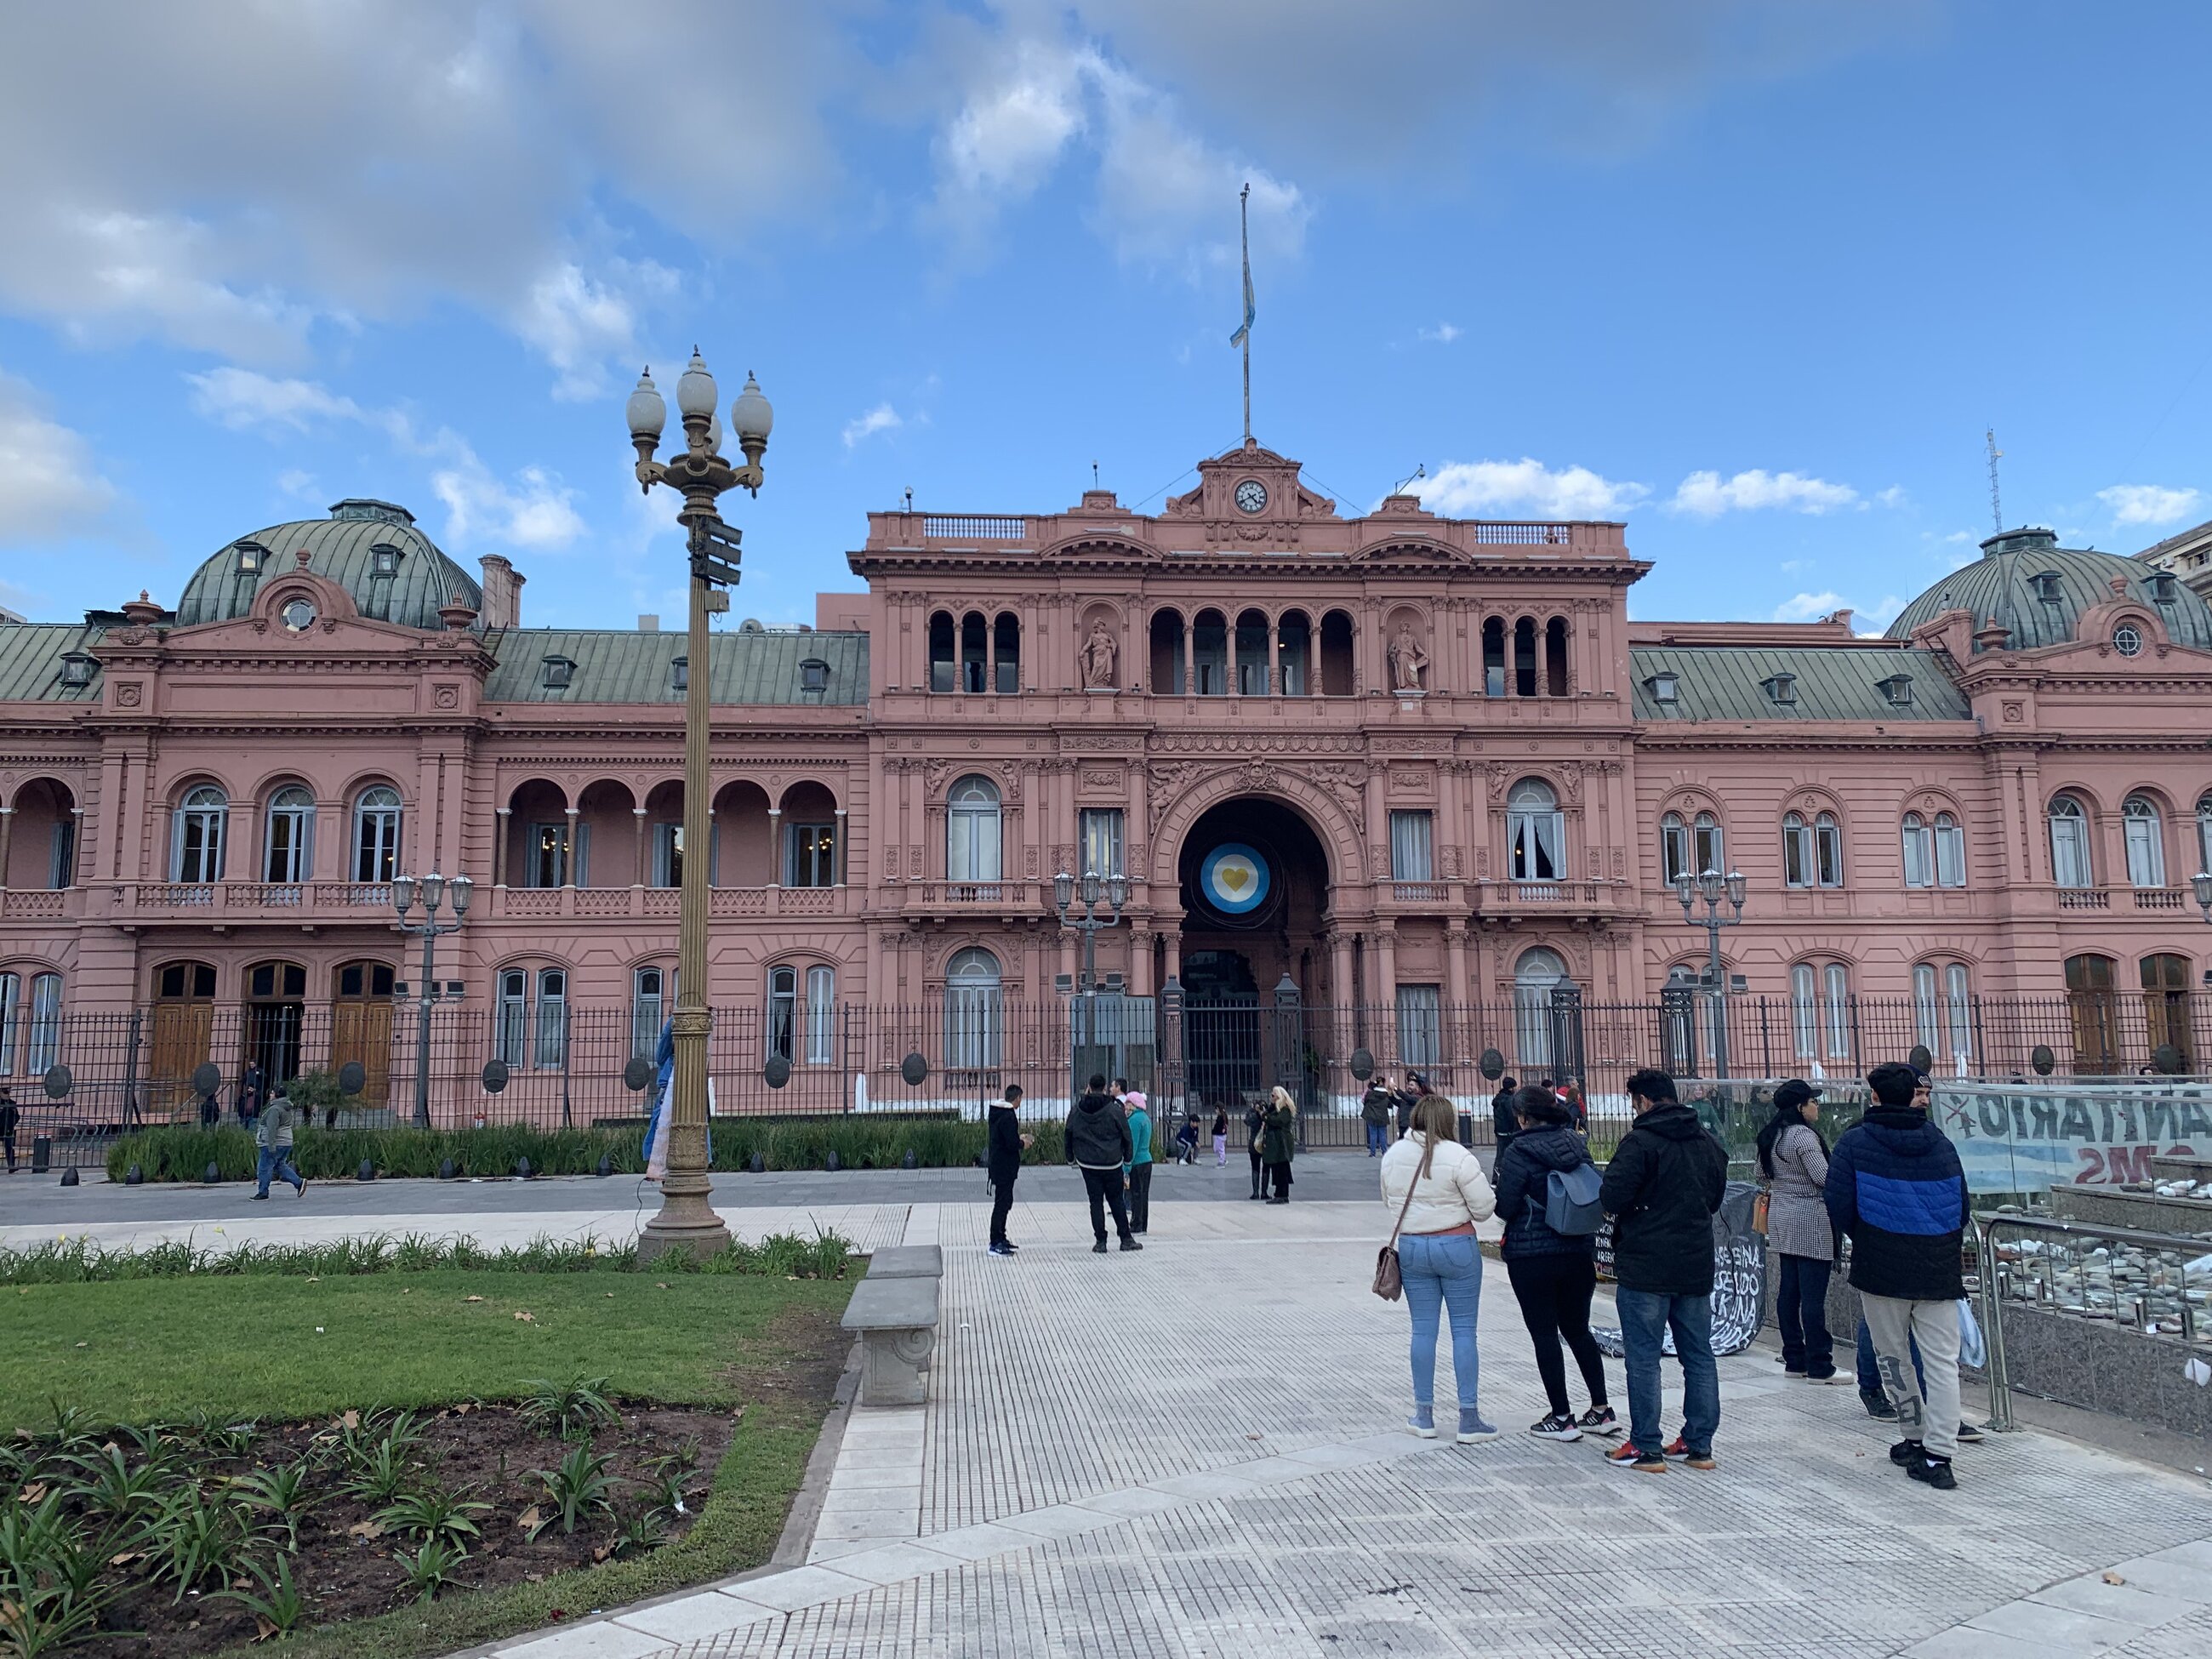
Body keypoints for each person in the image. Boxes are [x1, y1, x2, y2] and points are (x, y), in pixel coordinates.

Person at [1827, 1061, 1970, 1491]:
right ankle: (1940, 1454)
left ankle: (1913, 1436)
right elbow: (1961, 1207)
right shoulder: (1941, 1142)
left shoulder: (1854, 1143)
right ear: (1913, 1094)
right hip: (1939, 1268)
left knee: (1894, 1358)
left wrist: (1870, 1238)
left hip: (1882, 1267)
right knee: (1943, 1362)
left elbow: (1838, 1206)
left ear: (1874, 1096)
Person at [1598, 1067, 1727, 1473]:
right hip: (1693, 1261)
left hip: (1646, 1264)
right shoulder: (1707, 1140)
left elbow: (1612, 1197)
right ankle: (1699, 1444)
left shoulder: (1639, 1142)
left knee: (1643, 1358)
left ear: (1644, 1101)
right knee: (1699, 1355)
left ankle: (1646, 1446)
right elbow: (1715, 1196)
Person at [1491, 1084, 1616, 1440]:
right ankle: (1602, 1410)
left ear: (1523, 1117)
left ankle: (1561, 1417)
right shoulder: (1577, 1143)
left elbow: (1506, 1206)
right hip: (1578, 1250)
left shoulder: (1518, 1150)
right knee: (1578, 1329)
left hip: (1533, 1254)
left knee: (1544, 1332)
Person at [1380, 1092, 1499, 1443]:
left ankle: (1424, 1415)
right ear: (1448, 1121)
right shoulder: (1458, 1156)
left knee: (1422, 1330)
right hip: (1457, 1245)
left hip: (1414, 1246)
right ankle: (1469, 1417)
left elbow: (1389, 1201)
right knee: (1464, 1331)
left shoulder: (1394, 1155)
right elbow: (1483, 1209)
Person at [1759, 1080, 1837, 1382]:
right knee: (1814, 1295)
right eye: (1812, 1102)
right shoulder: (1803, 1136)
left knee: (1789, 1291)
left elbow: (1759, 1172)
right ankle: (1820, 1363)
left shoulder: (1773, 1135)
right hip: (1810, 1216)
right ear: (1800, 1107)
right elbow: (1823, 1177)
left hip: (1782, 1214)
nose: (1816, 1107)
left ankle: (1794, 1358)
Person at [1066, 1073, 1140, 1253]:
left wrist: (1070, 1157)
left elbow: (1068, 1133)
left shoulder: (1077, 1110)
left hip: (1088, 1163)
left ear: (1089, 1088)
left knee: (1095, 1202)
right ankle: (1125, 1238)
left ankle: (1100, 1241)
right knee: (1116, 1201)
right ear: (1105, 1088)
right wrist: (1128, 1157)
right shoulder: (1114, 1110)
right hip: (1112, 1162)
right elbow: (1126, 1133)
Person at [985, 1083, 1033, 1257]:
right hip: (1004, 1166)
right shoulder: (1008, 1116)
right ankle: (995, 1242)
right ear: (1018, 1098)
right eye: (1021, 1098)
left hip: (1000, 1165)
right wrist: (1023, 1143)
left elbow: (1004, 1138)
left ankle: (1001, 1236)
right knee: (1002, 1203)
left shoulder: (998, 1113)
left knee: (1005, 1202)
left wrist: (1016, 1138)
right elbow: (1011, 1143)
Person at [251, 1084, 306, 1200]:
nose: (270, 1095)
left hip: (273, 1142)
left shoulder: (274, 1109)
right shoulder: (286, 1107)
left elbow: (272, 1128)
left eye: (272, 1093)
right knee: (279, 1165)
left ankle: (263, 1192)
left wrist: (271, 1146)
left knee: (264, 1167)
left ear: (276, 1095)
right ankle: (299, 1182)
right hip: (286, 1141)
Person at [1120, 1078, 1154, 1235]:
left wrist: (1126, 1167)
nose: (1126, 1106)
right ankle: (1142, 1225)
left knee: (1136, 1195)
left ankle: (1137, 1225)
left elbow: (1131, 1145)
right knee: (1143, 1194)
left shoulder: (1134, 1120)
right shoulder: (1145, 1118)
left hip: (1137, 1162)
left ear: (1134, 1104)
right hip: (1147, 1160)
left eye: (1128, 1103)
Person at [1258, 1085, 1297, 1203]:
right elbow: (1267, 1116)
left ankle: (1282, 1194)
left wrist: (1266, 1116)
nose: (1271, 1097)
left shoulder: (1285, 1109)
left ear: (1279, 1096)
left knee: (1282, 1168)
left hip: (1281, 1143)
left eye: (1273, 1095)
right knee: (1276, 1168)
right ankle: (1279, 1193)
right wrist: (1267, 1112)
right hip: (1274, 1143)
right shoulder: (1274, 1108)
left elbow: (1278, 1121)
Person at [1361, 1072, 1395, 1156]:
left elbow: (1365, 1102)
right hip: (1382, 1117)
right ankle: (1384, 1152)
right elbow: (1390, 1105)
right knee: (1382, 1135)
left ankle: (1372, 1153)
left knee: (1373, 1134)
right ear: (1384, 1084)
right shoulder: (1386, 1094)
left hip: (1371, 1116)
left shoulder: (1371, 1093)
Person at [1244, 1094, 1268, 1200]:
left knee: (1264, 1168)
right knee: (1257, 1168)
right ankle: (1257, 1192)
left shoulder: (1266, 1114)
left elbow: (1248, 1121)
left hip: (1262, 1143)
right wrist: (1258, 1113)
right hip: (1258, 1143)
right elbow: (1248, 1121)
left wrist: (1259, 1112)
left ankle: (1262, 1192)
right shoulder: (1255, 1115)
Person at [1490, 1074, 1521, 1149]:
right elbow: (1512, 1116)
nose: (1516, 1089)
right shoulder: (1509, 1099)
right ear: (1511, 1088)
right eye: (1515, 1087)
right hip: (1509, 1132)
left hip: (1500, 1131)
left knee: (1500, 1155)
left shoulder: (1499, 1097)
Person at [0, 1085, 18, 1174]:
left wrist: (11, 1125)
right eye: (5, 1092)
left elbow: (17, 1116)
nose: (7, 1094)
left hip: (8, 1129)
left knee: (9, 1148)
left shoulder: (12, 1103)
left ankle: (11, 1166)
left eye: (8, 1092)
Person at [1210, 1102, 1229, 1166]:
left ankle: (1222, 1160)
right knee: (1216, 1149)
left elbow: (1219, 1126)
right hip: (1219, 1134)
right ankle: (1223, 1159)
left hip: (1220, 1135)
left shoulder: (1221, 1117)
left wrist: (1214, 1131)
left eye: (1216, 1109)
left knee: (1220, 1148)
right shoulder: (1221, 1117)